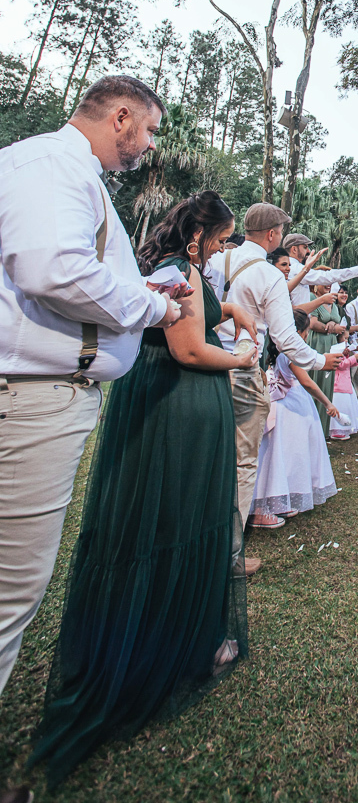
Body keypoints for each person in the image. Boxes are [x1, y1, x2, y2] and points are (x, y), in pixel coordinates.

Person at [28, 191, 259, 785]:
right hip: (178, 409)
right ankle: (176, 650)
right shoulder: (182, 270)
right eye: (223, 238)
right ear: (198, 238)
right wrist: (243, 357)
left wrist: (227, 310)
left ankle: (168, 637)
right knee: (179, 522)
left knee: (163, 522)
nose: (226, 246)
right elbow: (188, 349)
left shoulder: (172, 269)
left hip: (158, 405)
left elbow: (192, 315)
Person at [0, 75, 183, 708]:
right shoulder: (56, 165)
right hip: (32, 399)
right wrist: (154, 311)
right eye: (150, 131)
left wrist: (144, 292)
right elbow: (53, 269)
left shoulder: (51, 170)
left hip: (36, 391)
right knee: (12, 587)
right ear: (122, 118)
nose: (148, 147)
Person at [208, 207, 343, 536]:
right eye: (281, 232)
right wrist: (321, 361)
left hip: (207, 363)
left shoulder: (215, 261)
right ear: (272, 234)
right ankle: (231, 545)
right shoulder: (268, 276)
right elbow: (286, 339)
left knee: (213, 451)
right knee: (243, 457)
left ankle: (207, 525)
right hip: (242, 367)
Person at [250, 311, 340, 526]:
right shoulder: (292, 354)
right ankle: (262, 506)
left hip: (285, 406)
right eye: (307, 330)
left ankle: (281, 498)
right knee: (285, 453)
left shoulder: (278, 350)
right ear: (300, 333)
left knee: (287, 454)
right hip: (290, 409)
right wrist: (327, 403)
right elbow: (307, 383)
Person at [284, 233, 358, 307]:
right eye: (305, 247)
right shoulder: (295, 268)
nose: (308, 251)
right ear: (294, 249)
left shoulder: (294, 267)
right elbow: (327, 277)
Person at [308, 277, 347, 434]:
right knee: (315, 380)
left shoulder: (333, 303)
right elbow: (311, 323)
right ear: (315, 283)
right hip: (317, 343)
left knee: (327, 384)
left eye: (330, 282)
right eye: (324, 281)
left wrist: (335, 327)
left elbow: (339, 325)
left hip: (331, 345)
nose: (328, 284)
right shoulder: (312, 298)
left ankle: (323, 429)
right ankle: (311, 429)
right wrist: (329, 328)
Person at [330, 349, 358, 440]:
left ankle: (345, 428)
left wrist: (356, 360)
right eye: (345, 339)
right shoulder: (336, 350)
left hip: (345, 383)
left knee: (347, 406)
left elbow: (347, 364)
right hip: (338, 384)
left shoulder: (343, 351)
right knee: (341, 406)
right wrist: (353, 358)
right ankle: (337, 430)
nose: (347, 342)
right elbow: (341, 365)